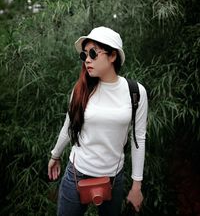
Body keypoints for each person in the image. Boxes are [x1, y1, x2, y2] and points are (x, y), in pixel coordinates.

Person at [48, 26, 148, 216]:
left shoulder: (135, 92)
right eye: (84, 55)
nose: (87, 59)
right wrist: (55, 155)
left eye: (93, 53)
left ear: (112, 56)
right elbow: (68, 127)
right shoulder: (80, 90)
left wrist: (136, 186)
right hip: (76, 174)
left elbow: (139, 139)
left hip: (113, 178)